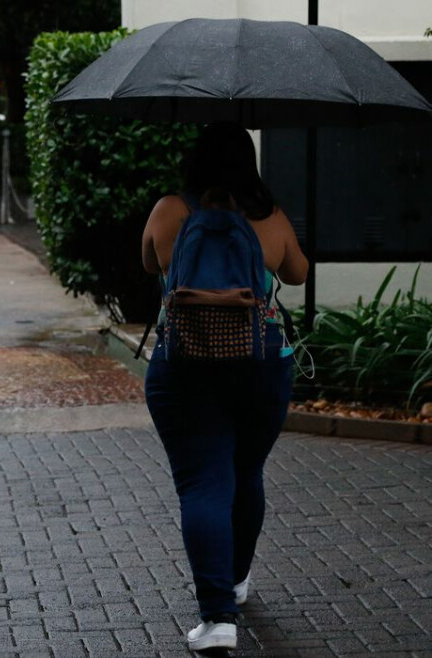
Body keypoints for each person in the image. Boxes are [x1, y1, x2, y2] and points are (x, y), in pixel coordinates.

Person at [140, 122, 309, 652]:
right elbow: (298, 274)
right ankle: (234, 582)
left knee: (203, 485)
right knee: (246, 472)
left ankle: (217, 619)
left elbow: (150, 263)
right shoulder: (269, 216)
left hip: (184, 363)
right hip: (260, 364)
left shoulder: (171, 210)